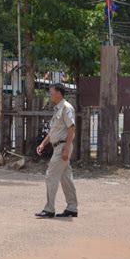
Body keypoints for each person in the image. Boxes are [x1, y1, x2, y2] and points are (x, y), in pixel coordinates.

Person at [35, 83, 78, 218]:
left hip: (62, 147)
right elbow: (54, 131)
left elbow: (72, 128)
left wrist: (66, 149)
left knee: (51, 175)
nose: (50, 94)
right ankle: (72, 208)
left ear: (59, 93)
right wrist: (43, 144)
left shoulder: (66, 108)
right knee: (66, 178)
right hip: (59, 146)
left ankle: (49, 209)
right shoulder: (58, 109)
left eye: (51, 92)